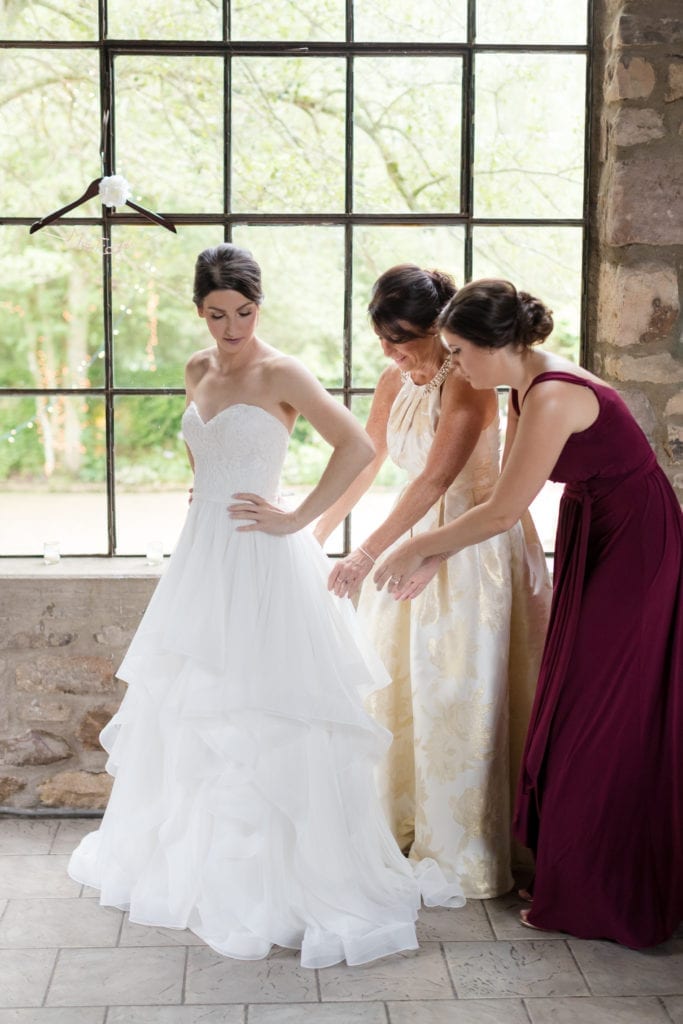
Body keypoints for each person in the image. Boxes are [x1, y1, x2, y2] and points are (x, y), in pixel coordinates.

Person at [68, 243, 464, 969]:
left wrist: (294, 517)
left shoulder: (282, 370)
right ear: (198, 310)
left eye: (243, 312)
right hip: (203, 554)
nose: (230, 328)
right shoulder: (195, 369)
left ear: (259, 305)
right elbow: (204, 452)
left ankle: (281, 881)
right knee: (194, 705)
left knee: (265, 712)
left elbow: (354, 447)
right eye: (216, 314)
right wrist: (206, 489)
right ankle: (199, 868)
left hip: (262, 558)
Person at [375, 277, 683, 948]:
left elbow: (504, 509)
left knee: (599, 714)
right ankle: (567, 870)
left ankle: (600, 890)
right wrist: (429, 560)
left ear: (495, 346)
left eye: (458, 351)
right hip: (593, 529)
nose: (452, 365)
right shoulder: (517, 384)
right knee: (567, 697)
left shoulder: (552, 395)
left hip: (634, 541)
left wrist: (416, 545)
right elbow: (503, 504)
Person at [311, 265, 552, 900]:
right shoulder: (394, 379)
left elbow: (436, 483)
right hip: (409, 547)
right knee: (398, 685)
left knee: (455, 692)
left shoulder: (467, 384)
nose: (393, 353)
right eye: (384, 339)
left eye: (406, 339)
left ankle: (466, 844)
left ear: (439, 330)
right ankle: (399, 823)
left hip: (469, 548)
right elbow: (366, 461)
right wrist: (313, 528)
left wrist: (365, 554)